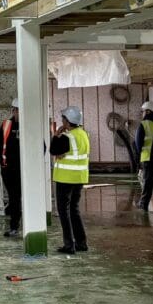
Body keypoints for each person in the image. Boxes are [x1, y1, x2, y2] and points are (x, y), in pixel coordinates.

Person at [49, 106, 90, 254]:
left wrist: (56, 135)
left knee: (63, 211)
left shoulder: (67, 137)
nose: (62, 121)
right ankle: (81, 243)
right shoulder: (83, 134)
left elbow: (53, 150)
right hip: (79, 177)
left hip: (65, 178)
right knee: (74, 210)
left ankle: (69, 245)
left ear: (68, 121)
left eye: (63, 119)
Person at [134, 101, 153, 212]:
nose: (142, 114)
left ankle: (143, 204)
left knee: (148, 183)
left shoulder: (144, 124)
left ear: (148, 111)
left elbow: (138, 143)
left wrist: (138, 160)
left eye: (143, 111)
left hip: (148, 158)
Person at [0, 98, 21, 237]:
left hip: (24, 169)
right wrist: (3, 164)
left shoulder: (30, 124)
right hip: (9, 170)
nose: (15, 112)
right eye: (15, 110)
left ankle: (19, 225)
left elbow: (40, 146)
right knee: (14, 198)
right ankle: (14, 227)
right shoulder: (7, 125)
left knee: (19, 198)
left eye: (17, 109)